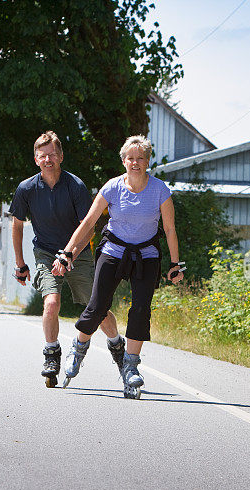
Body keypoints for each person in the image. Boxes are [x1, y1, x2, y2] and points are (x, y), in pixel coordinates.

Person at [52, 135, 185, 398]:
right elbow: (88, 223)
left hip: (146, 254)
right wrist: (67, 252)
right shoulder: (112, 187)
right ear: (124, 160)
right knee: (98, 305)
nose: (135, 163)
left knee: (140, 309)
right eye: (130, 158)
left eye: (141, 158)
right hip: (114, 250)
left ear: (148, 162)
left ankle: (131, 367)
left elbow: (169, 228)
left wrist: (174, 264)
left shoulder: (160, 190)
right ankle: (77, 350)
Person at [9, 131, 124, 388]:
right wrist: (20, 264)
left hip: (78, 252)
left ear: (61, 156)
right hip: (46, 253)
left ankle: (117, 345)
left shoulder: (75, 186)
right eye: (42, 155)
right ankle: (51, 355)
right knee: (51, 303)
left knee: (98, 310)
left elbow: (89, 227)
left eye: (52, 154)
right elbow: (16, 226)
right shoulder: (26, 189)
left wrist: (70, 254)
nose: (48, 159)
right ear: (36, 159)